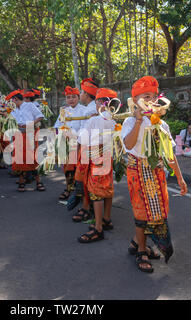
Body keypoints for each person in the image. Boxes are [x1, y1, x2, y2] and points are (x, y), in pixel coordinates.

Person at [121, 76, 187, 273]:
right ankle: (141, 250)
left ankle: (136, 242)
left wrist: (181, 178)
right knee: (141, 213)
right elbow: (129, 144)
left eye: (153, 96)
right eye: (146, 96)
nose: (151, 100)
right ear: (136, 100)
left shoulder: (162, 125)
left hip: (157, 173)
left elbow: (169, 155)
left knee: (157, 213)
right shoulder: (130, 121)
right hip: (137, 172)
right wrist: (139, 121)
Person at [77, 88, 117, 243]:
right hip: (108, 156)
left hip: (95, 156)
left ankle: (98, 227)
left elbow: (82, 141)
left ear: (100, 103)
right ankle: (106, 219)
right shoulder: (113, 121)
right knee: (107, 188)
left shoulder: (93, 120)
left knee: (96, 192)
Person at [70, 78, 99, 222]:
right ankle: (88, 205)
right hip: (86, 146)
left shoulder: (93, 109)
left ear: (87, 95)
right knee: (85, 177)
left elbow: (86, 132)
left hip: (90, 148)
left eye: (81, 92)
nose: (80, 94)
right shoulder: (90, 108)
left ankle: (87, 207)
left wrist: (80, 147)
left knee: (87, 177)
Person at [6, 90, 46, 192]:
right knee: (20, 158)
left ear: (15, 99)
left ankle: (38, 182)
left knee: (32, 157)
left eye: (11, 101)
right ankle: (22, 181)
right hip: (18, 134)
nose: (11, 103)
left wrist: (31, 124)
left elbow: (40, 116)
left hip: (30, 133)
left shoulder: (29, 105)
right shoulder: (12, 109)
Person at [54, 86, 87, 201]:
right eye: (68, 97)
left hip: (78, 143)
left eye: (74, 97)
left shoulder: (84, 110)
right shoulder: (64, 111)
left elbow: (84, 128)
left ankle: (79, 190)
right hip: (66, 143)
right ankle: (68, 188)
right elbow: (57, 126)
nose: (71, 99)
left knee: (78, 168)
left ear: (78, 97)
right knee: (66, 168)